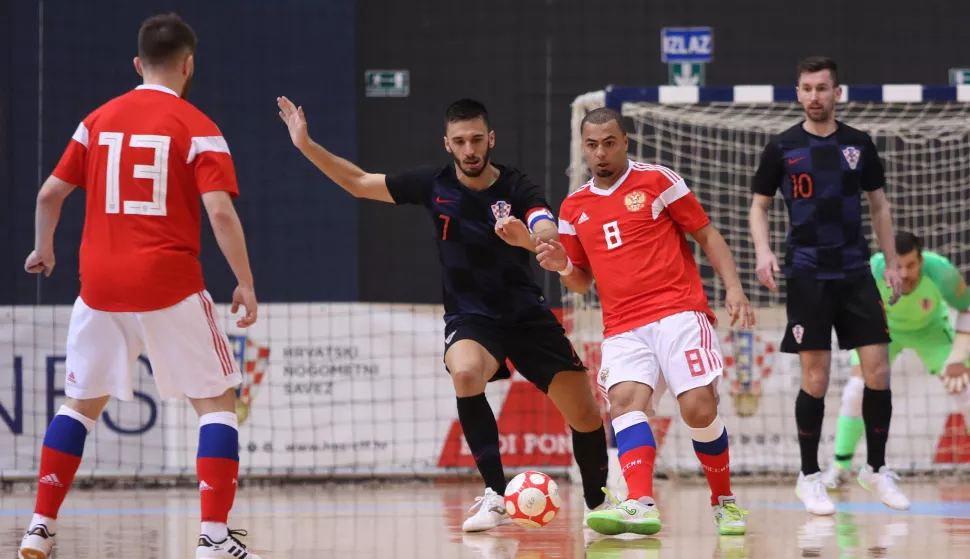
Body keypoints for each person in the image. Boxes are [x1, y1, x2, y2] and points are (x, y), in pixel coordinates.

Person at [276, 96, 611, 531]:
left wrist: (528, 238)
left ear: (491, 139)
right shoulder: (432, 185)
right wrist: (305, 145)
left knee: (585, 414)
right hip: (471, 318)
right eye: (460, 141)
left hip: (527, 316)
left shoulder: (517, 186)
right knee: (466, 372)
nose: (470, 149)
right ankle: (496, 496)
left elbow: (546, 228)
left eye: (477, 139)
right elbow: (358, 182)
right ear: (447, 144)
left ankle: (598, 506)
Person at [18, 14, 261, 559]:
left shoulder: (96, 121)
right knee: (217, 405)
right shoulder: (198, 126)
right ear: (188, 65)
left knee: (78, 407)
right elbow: (220, 213)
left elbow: (48, 195)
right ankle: (213, 538)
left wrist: (44, 249)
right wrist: (244, 282)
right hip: (168, 283)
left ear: (137, 64)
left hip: (99, 287)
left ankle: (39, 527)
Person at [538, 107, 754, 536]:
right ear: (583, 147)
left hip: (678, 312)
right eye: (592, 145)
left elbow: (706, 234)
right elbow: (580, 282)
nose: (601, 153)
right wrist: (562, 265)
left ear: (625, 142)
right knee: (623, 403)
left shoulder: (657, 180)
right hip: (622, 325)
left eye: (609, 143)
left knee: (698, 408)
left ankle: (723, 501)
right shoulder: (573, 207)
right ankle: (640, 503)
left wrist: (734, 288)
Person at [749, 56, 909, 515]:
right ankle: (809, 476)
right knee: (815, 379)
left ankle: (876, 469)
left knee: (878, 371)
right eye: (807, 88)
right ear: (797, 93)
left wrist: (891, 262)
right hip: (807, 274)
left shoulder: (859, 143)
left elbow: (879, 206)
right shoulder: (782, 148)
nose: (814, 96)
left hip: (855, 272)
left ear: (837, 94)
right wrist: (763, 251)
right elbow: (758, 206)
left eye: (822, 88)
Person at [824, 232, 970, 488]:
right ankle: (840, 467)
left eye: (911, 266)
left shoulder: (942, 272)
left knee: (965, 388)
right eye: (897, 266)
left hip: (932, 331)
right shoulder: (872, 269)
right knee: (857, 389)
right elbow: (852, 310)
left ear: (921, 260)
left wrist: (958, 357)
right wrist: (860, 351)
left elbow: (967, 308)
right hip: (883, 329)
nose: (903, 274)